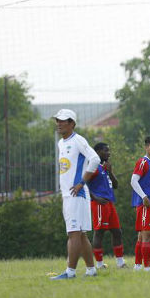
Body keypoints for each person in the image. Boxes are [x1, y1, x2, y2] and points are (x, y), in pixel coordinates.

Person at [50, 109, 100, 280]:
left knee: (73, 233)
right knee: (81, 234)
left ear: (72, 123)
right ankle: (91, 270)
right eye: (57, 120)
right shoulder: (61, 143)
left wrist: (81, 183)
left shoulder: (78, 140)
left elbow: (95, 159)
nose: (59, 123)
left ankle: (70, 272)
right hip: (68, 194)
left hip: (76, 194)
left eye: (63, 120)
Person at [88, 142, 125, 269]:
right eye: (106, 151)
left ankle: (120, 263)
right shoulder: (93, 167)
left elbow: (116, 185)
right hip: (99, 204)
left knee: (117, 232)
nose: (109, 153)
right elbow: (83, 183)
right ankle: (99, 264)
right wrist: (95, 198)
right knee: (99, 233)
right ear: (98, 152)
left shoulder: (104, 168)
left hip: (109, 203)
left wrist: (110, 172)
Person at [130, 135, 150, 271]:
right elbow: (133, 180)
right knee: (147, 236)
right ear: (146, 147)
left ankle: (137, 266)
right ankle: (147, 267)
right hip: (145, 205)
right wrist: (144, 197)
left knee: (144, 235)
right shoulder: (143, 162)